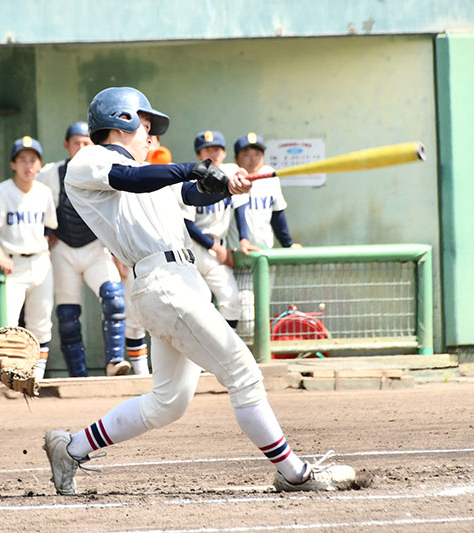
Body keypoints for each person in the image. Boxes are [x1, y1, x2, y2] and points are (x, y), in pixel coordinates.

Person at [43, 86, 357, 495]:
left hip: (180, 281)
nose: (149, 135)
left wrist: (228, 184)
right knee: (243, 373)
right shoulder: (91, 160)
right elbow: (133, 179)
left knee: (169, 401)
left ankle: (71, 448)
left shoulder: (151, 172)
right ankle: (294, 473)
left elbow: (190, 191)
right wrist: (195, 167)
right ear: (121, 120)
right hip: (161, 281)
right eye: (145, 124)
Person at [36, 121, 134, 377]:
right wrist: (46, 233)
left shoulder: (103, 169)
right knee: (67, 315)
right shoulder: (50, 173)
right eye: (76, 142)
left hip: (95, 247)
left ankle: (115, 362)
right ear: (66, 145)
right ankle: (78, 375)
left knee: (114, 297)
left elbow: (115, 212)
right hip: (63, 249)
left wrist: (118, 252)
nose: (81, 147)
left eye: (86, 142)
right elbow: (34, 202)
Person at [0, 136, 57, 380]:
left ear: (40, 165)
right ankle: (9, 376)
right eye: (22, 159)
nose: (28, 165)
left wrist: (46, 242)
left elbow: (51, 226)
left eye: (33, 160)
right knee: (7, 325)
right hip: (13, 264)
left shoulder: (44, 192)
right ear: (13, 164)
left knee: (41, 323)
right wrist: (0, 255)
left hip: (40, 262)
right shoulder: (1, 191)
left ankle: (37, 378)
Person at [183, 130, 244, 329]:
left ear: (224, 153)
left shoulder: (231, 175)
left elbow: (240, 208)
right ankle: (198, 357)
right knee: (197, 305)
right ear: (199, 155)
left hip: (218, 248)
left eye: (218, 149)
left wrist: (244, 239)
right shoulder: (191, 179)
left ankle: (225, 351)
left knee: (231, 301)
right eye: (208, 150)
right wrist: (216, 248)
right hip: (191, 249)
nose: (214, 154)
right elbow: (187, 224)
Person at [233, 133, 302, 254]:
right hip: (238, 253)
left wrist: (288, 244)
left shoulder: (270, 177)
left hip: (265, 252)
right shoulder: (231, 179)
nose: (253, 159)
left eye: (257, 154)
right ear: (236, 159)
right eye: (246, 155)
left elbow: (277, 214)